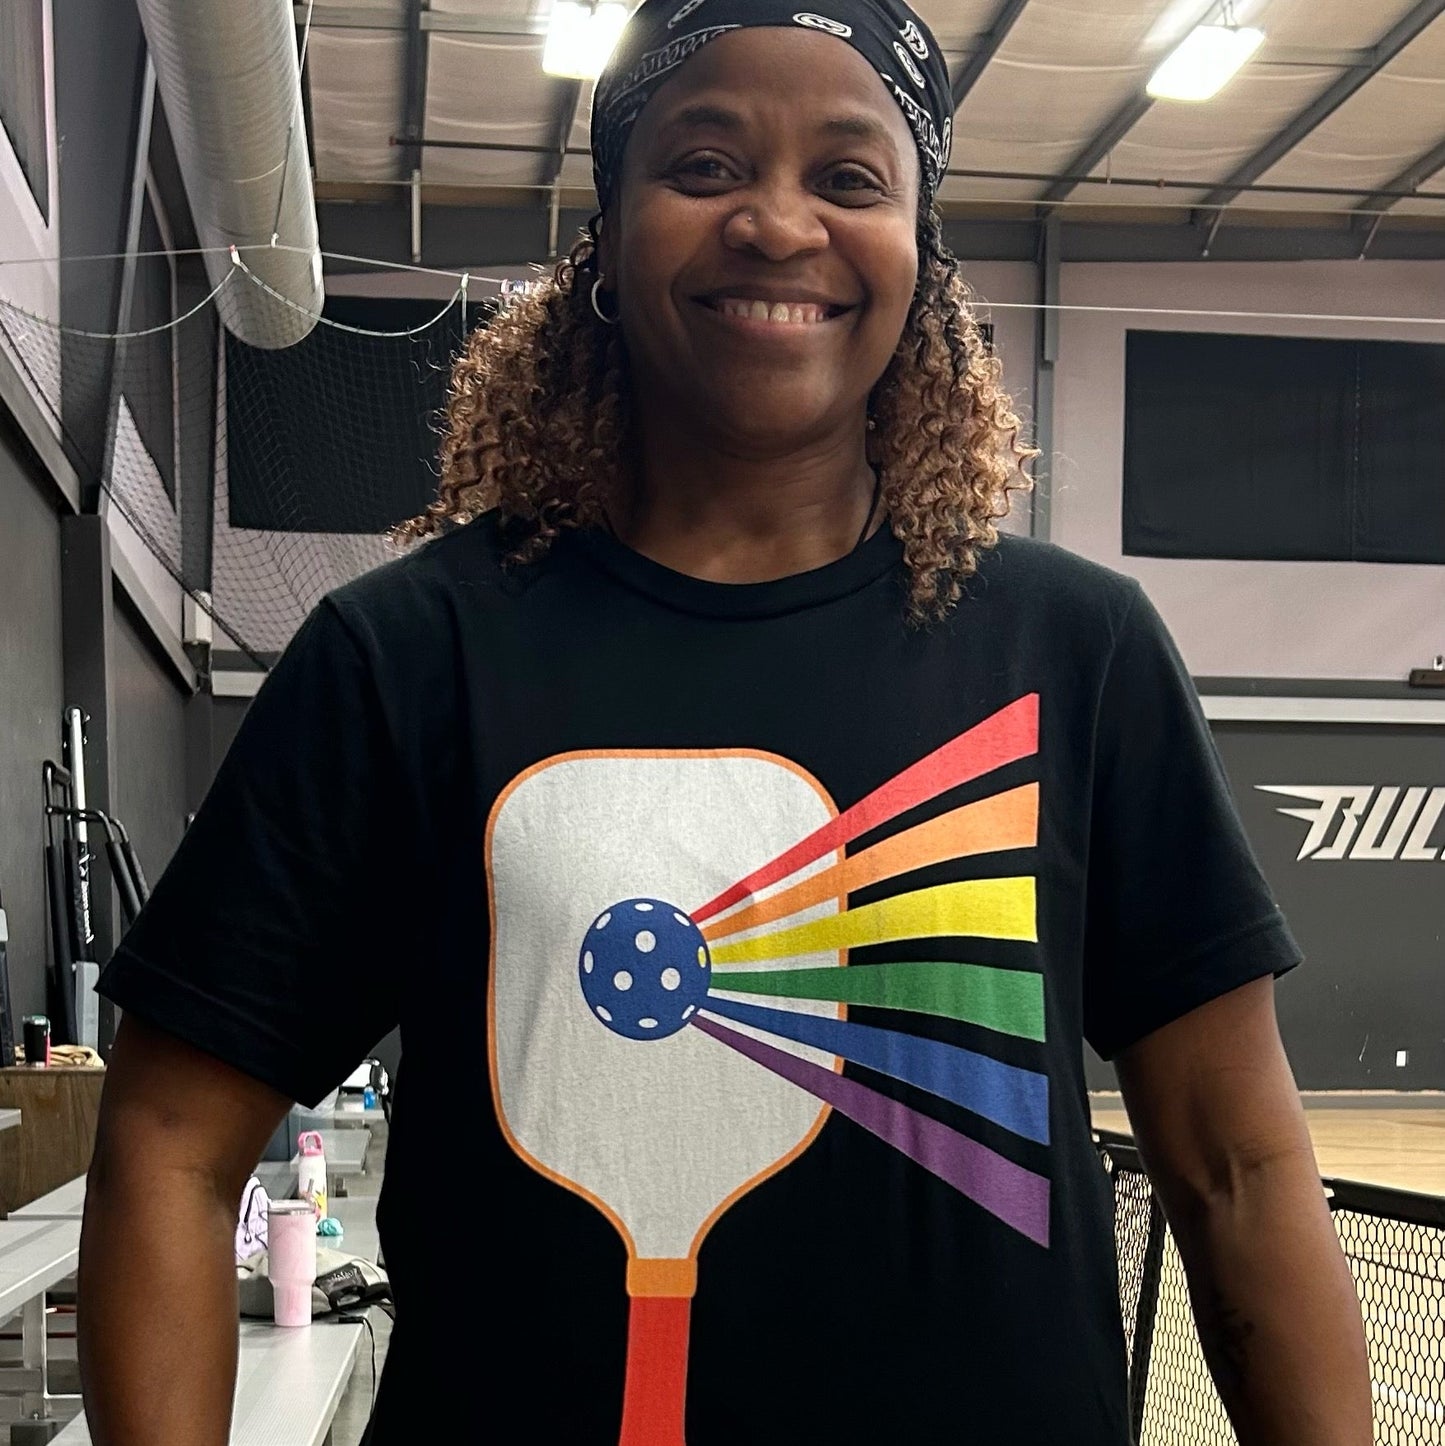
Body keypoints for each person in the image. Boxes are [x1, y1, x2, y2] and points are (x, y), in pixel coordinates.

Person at [77, 0, 1372, 1440]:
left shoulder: (1077, 652)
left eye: (848, 177)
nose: (775, 223)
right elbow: (170, 1147)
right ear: (606, 249)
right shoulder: (409, 655)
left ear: (918, 257)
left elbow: (1239, 1170)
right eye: (702, 165)